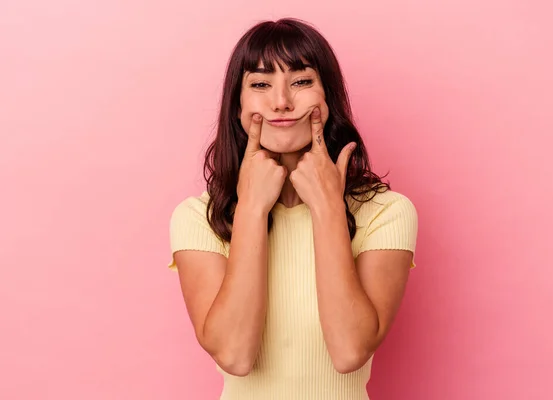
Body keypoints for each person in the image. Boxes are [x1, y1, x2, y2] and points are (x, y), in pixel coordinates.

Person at [168, 17, 418, 400]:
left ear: (327, 98)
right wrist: (251, 208)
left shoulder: (387, 212)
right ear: (237, 106)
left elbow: (350, 350)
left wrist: (328, 207)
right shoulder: (197, 217)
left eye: (301, 81)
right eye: (260, 84)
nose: (281, 102)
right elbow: (235, 355)